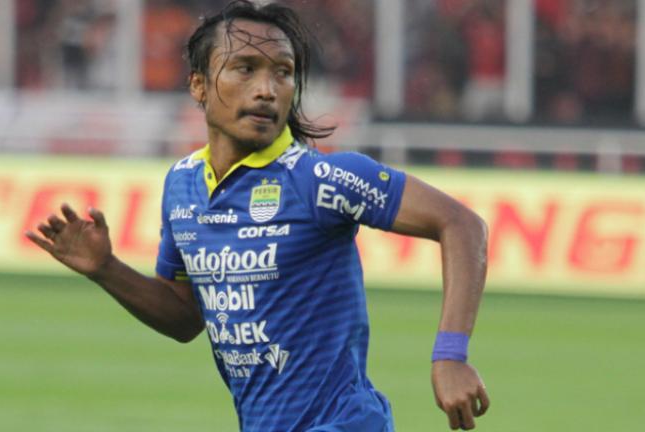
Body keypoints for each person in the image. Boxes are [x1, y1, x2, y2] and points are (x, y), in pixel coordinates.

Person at [25, 1, 490, 430]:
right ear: (199, 85)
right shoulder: (182, 184)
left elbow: (462, 225)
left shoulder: (319, 179)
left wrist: (450, 354)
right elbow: (185, 318)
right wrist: (107, 270)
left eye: (283, 72)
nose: (267, 90)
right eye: (245, 69)